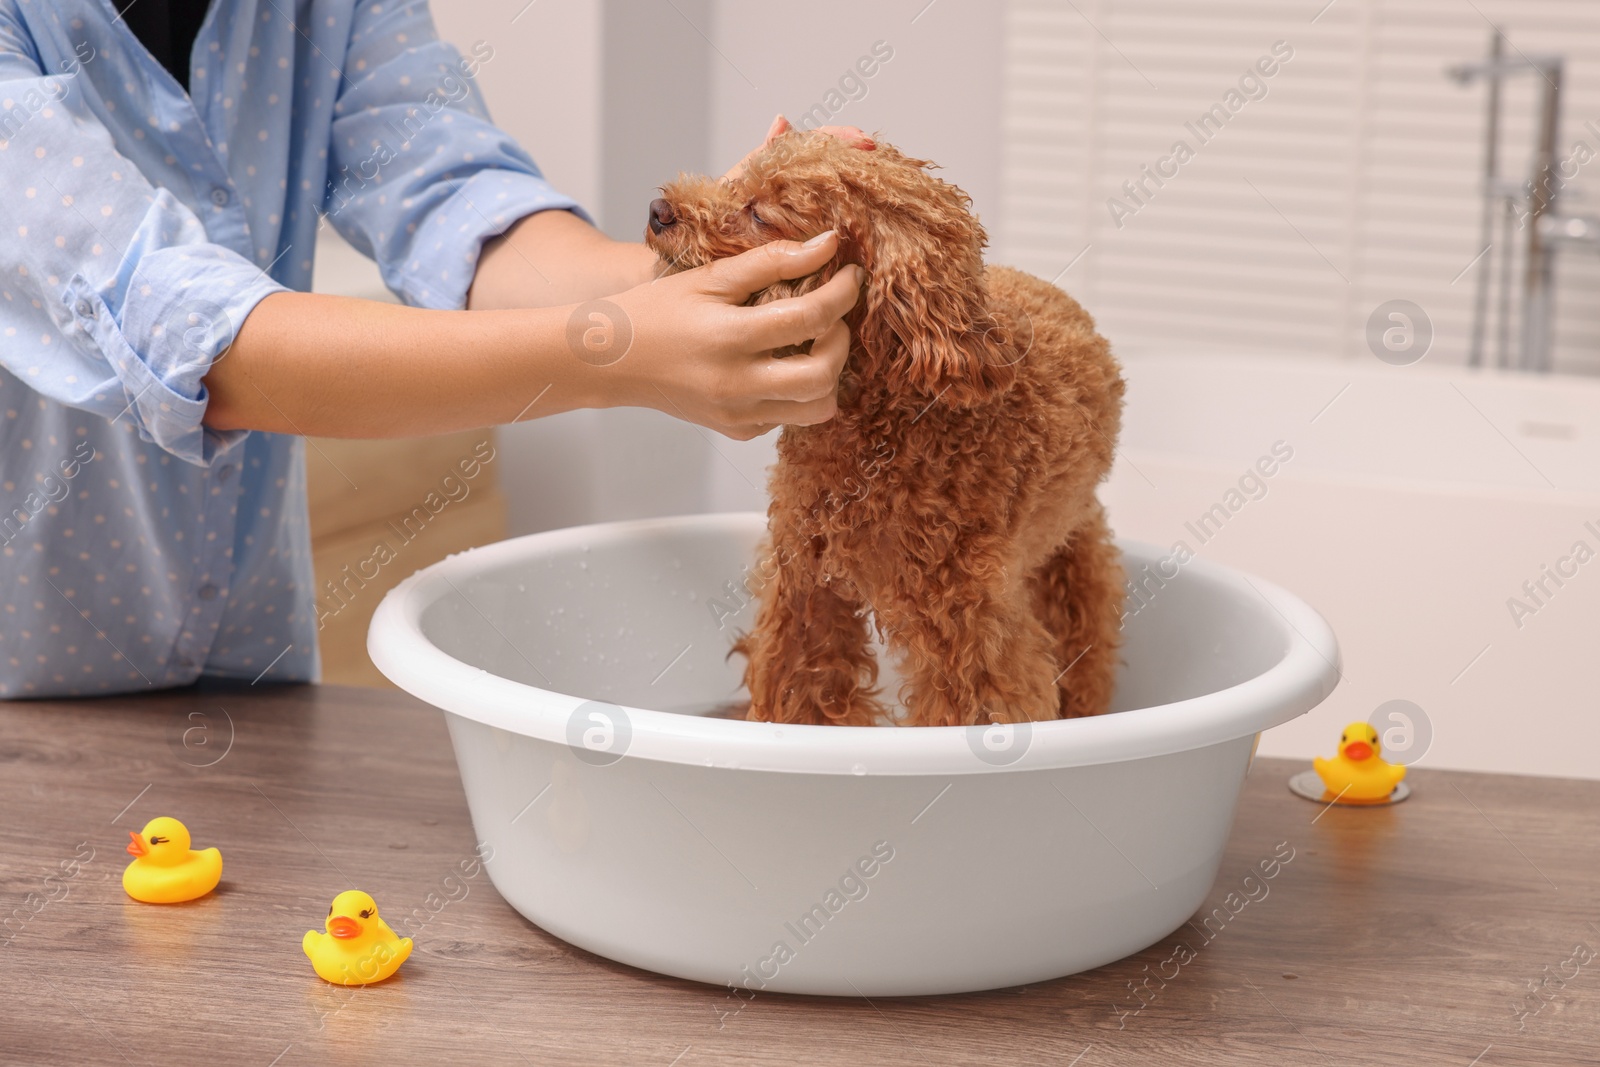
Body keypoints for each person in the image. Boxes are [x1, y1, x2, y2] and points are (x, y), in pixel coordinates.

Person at [0, 0, 865, 698]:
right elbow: (199, 340)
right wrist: (616, 354)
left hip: (249, 677)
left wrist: (696, 264)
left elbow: (456, 199)